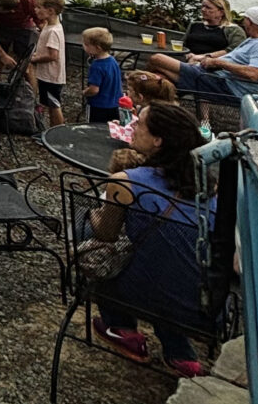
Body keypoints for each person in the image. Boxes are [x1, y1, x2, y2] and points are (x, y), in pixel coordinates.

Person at [82, 103, 218, 377]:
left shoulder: (126, 181)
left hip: (142, 296)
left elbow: (105, 234)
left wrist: (91, 213)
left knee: (86, 231)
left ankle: (120, 328)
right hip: (204, 309)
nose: (132, 127)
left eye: (139, 124)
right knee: (171, 262)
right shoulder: (213, 189)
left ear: (158, 140)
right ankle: (181, 355)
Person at [140, 6, 258, 104]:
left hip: (222, 85)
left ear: (249, 22)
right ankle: (156, 102)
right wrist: (209, 59)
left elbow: (255, 74)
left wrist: (218, 63)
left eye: (245, 20)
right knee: (162, 76)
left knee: (156, 59)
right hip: (213, 77)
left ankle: (144, 97)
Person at [31, 0, 68, 125]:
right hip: (46, 75)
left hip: (51, 76)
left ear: (51, 11)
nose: (35, 10)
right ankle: (50, 129)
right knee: (48, 102)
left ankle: (57, 131)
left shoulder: (53, 31)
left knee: (54, 105)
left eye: (39, 7)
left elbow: (53, 55)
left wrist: (34, 59)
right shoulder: (48, 25)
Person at [81, 27, 124, 123]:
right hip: (115, 104)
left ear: (97, 48)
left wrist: (84, 92)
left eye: (86, 44)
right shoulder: (113, 61)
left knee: (94, 130)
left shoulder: (96, 66)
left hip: (99, 106)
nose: (83, 46)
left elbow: (94, 90)